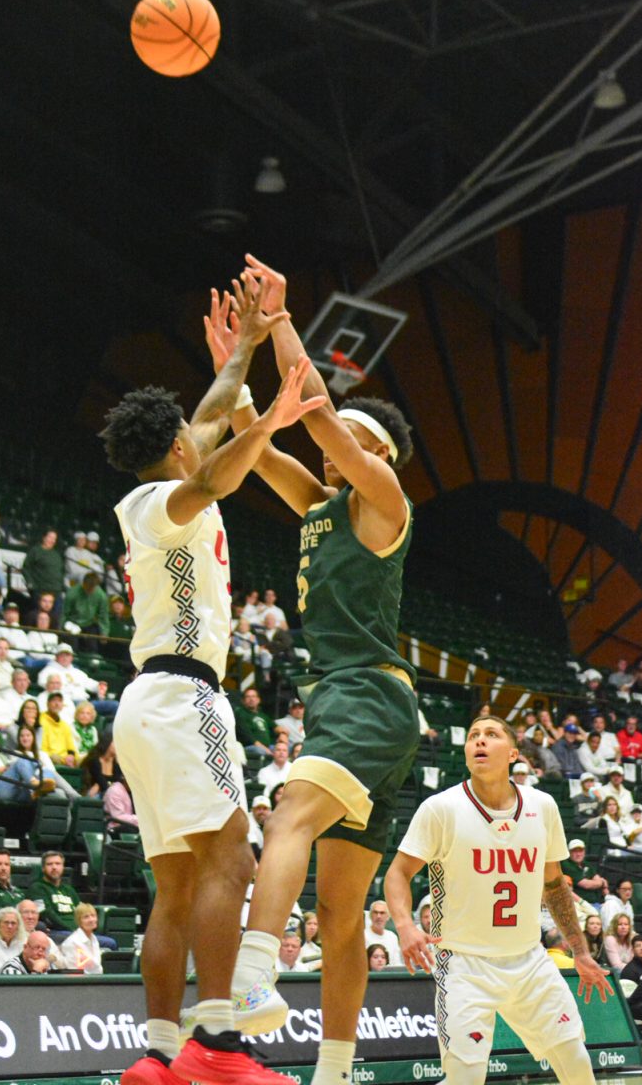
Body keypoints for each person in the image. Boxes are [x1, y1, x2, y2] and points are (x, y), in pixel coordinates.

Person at [209, 259, 419, 1085]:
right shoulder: (321, 504)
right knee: (339, 913)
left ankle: (254, 981)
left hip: (368, 697)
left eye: (356, 445)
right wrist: (235, 371)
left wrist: (284, 323)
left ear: (380, 457)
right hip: (350, 704)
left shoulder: (385, 502)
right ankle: (335, 1070)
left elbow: (322, 416)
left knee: (290, 811)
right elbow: (258, 442)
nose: (338, 453)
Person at [104, 277, 311, 1085]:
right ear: (177, 448)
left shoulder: (166, 479)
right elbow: (219, 472)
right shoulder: (162, 500)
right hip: (186, 697)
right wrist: (267, 421)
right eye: (193, 433)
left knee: (176, 887)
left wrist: (250, 346)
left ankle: (158, 1054)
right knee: (233, 859)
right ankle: (219, 1042)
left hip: (146, 706)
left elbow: (216, 411)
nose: (202, 431)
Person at [384, 713, 611, 1085]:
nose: (479, 741)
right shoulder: (441, 808)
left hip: (529, 960)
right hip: (464, 964)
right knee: (466, 1078)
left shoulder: (543, 806)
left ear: (513, 754)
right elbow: (397, 873)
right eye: (473, 735)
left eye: (491, 734)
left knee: (576, 1061)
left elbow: (553, 885)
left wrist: (580, 951)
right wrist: (406, 926)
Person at [62, 571, 109, 651]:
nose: (89, 590)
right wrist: (61, 629)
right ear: (83, 584)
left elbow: (103, 616)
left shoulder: (101, 596)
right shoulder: (72, 593)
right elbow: (64, 613)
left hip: (89, 624)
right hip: (73, 623)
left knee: (92, 648)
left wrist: (104, 633)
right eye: (87, 587)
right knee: (72, 648)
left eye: (92, 588)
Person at [561, 838, 607, 909]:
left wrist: (602, 884)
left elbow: (596, 877)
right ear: (569, 852)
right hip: (578, 905)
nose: (578, 854)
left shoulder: (587, 864)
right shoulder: (566, 865)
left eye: (580, 851)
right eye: (575, 851)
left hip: (595, 903)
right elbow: (586, 885)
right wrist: (602, 882)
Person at [23, 529, 64, 606]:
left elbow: (61, 571)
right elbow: (26, 568)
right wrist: (30, 583)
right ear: (44, 538)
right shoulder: (35, 551)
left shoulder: (57, 554)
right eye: (50, 537)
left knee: (57, 616)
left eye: (54, 539)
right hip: (40, 590)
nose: (52, 540)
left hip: (56, 591)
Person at [61, 902, 103, 974]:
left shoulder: (94, 939)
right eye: (86, 917)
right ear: (79, 921)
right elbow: (73, 971)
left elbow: (98, 968)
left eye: (93, 915)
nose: (91, 920)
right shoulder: (72, 942)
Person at [235, 686, 274, 758]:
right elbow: (249, 738)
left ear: (258, 700)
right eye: (248, 697)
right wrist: (266, 750)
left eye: (253, 696)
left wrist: (283, 734)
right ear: (243, 701)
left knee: (285, 748)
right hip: (251, 747)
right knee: (260, 751)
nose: (251, 699)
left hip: (268, 746)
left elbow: (275, 727)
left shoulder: (262, 715)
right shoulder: (240, 714)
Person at [82, 729, 122, 796]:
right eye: (115, 742)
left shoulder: (116, 763)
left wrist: (118, 764)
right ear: (107, 743)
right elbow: (102, 783)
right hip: (97, 794)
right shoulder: (94, 761)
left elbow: (118, 783)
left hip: (112, 795)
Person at [0, 906, 26, 972]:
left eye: (13, 923)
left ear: (18, 926)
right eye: (6, 922)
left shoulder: (23, 943)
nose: (10, 926)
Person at [363, 899, 401, 966]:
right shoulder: (363, 936)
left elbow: (397, 963)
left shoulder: (392, 937)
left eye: (382, 913)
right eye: (375, 913)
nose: (378, 916)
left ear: (388, 917)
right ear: (370, 916)